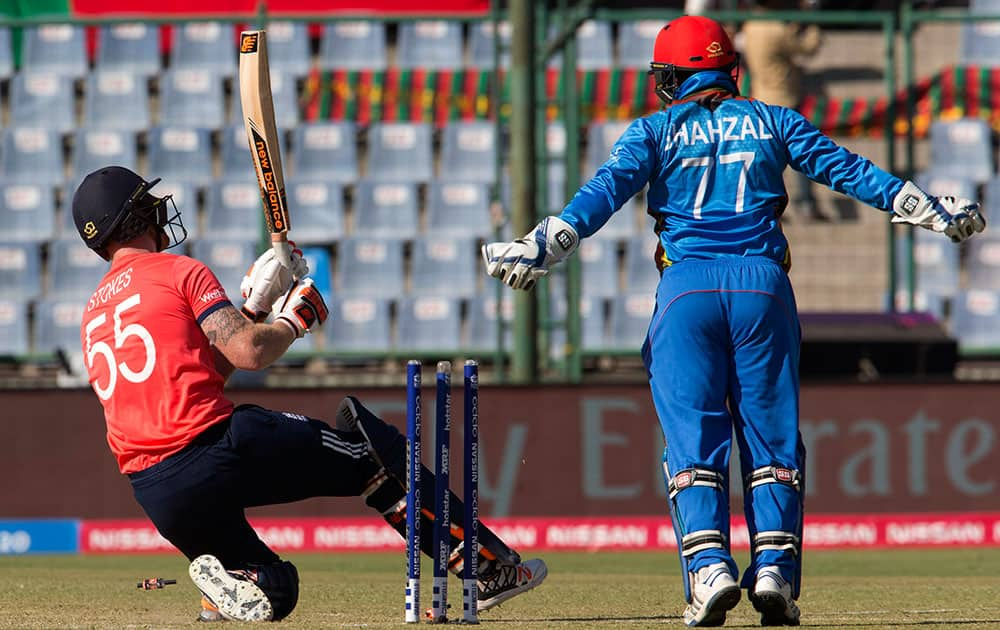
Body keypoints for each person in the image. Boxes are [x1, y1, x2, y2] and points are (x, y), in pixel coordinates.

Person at [482, 15, 983, 628]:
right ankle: (773, 570)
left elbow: (605, 190)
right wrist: (930, 209)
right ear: (730, 69)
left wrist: (544, 243)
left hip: (687, 289)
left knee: (694, 441)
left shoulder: (653, 130)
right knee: (772, 441)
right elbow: (847, 168)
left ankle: (709, 571)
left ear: (672, 78)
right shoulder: (773, 119)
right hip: (763, 290)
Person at [73, 166, 546, 623]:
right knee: (372, 455)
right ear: (133, 219)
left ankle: (224, 586)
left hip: (158, 492)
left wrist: (255, 308)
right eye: (146, 205)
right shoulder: (178, 272)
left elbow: (201, 374)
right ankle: (486, 569)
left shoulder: (92, 315)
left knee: (276, 590)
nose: (158, 212)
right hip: (221, 446)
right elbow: (249, 353)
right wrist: (294, 321)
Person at [742, 0, 824, 221]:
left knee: (766, 158)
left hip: (761, 96)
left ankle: (764, 205)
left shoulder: (752, 25)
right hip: (784, 99)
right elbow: (808, 47)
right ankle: (805, 203)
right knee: (801, 153)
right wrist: (813, 22)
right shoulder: (776, 29)